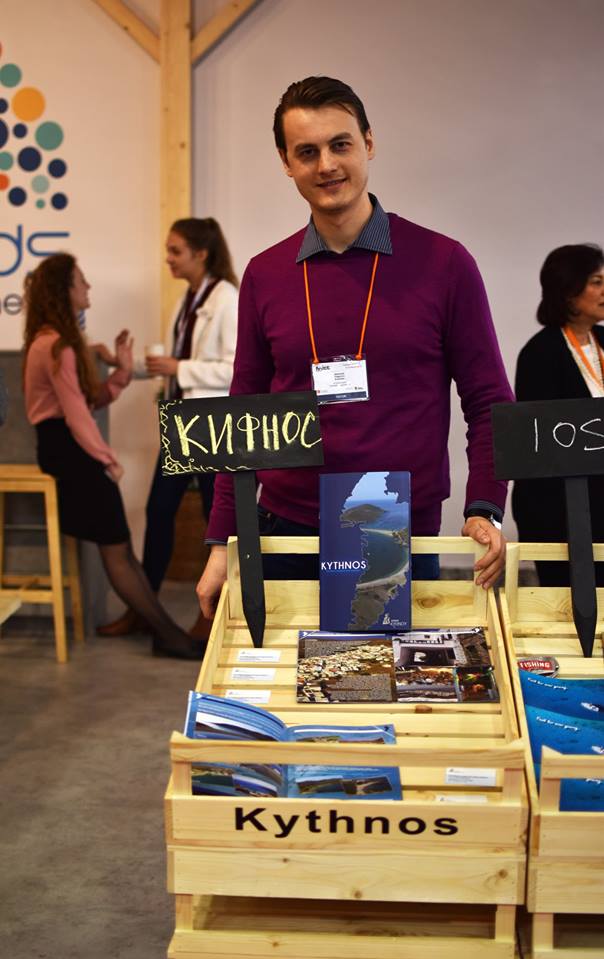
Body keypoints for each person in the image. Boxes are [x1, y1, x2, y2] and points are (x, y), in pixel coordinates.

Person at [197, 75, 513, 620]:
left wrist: (484, 505)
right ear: (286, 162)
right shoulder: (265, 274)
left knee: (387, 675)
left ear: (368, 142)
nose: (326, 165)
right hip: (286, 529)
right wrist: (222, 541)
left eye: (340, 144)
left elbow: (488, 401)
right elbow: (243, 412)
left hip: (398, 529)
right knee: (291, 676)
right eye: (307, 152)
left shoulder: (443, 263)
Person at [23, 253, 203, 659]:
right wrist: (107, 459)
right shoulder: (56, 346)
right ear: (64, 290)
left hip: (66, 447)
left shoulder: (55, 342)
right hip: (68, 451)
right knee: (117, 548)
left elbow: (88, 402)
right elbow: (76, 416)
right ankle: (167, 635)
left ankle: (165, 633)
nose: (88, 287)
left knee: (119, 547)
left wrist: (121, 370)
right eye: (81, 280)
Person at [97, 218, 238, 638]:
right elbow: (175, 364)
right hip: (182, 422)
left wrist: (180, 368)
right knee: (159, 512)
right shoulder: (186, 300)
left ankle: (211, 615)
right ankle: (145, 606)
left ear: (201, 253)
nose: (168, 259)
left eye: (175, 251)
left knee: (216, 523)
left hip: (211, 424)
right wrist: (128, 365)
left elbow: (235, 368)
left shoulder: (227, 298)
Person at [512, 243, 604, 585]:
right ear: (568, 290)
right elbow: (539, 444)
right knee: (569, 600)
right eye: (596, 282)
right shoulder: (540, 353)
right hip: (562, 510)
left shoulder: (603, 339)